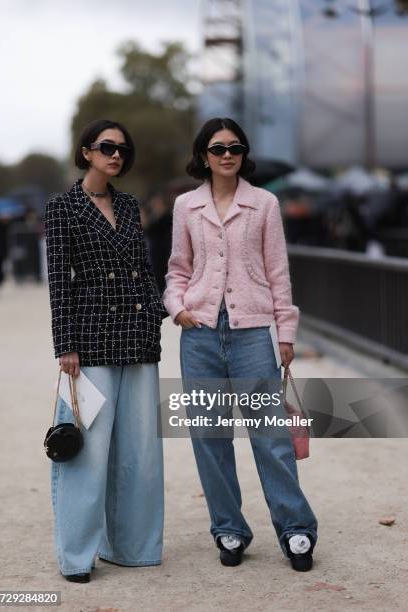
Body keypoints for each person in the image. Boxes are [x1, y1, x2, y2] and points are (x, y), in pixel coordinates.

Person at [163, 117, 318, 571]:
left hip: (253, 332)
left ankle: (296, 530)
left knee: (270, 437)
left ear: (243, 153)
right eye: (217, 148)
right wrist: (177, 306)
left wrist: (285, 332)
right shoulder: (185, 206)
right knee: (209, 436)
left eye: (235, 147)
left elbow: (278, 272)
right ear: (203, 155)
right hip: (200, 333)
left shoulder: (264, 203)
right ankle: (229, 528)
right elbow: (177, 268)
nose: (227, 155)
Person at [45, 119, 166, 583]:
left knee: (140, 450)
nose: (117, 155)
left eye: (123, 149)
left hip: (137, 335)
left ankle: (134, 548)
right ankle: (76, 556)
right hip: (90, 339)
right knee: (89, 452)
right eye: (107, 147)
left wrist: (155, 310)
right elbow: (60, 281)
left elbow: (144, 265)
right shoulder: (62, 207)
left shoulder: (131, 204)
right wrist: (66, 345)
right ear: (86, 152)